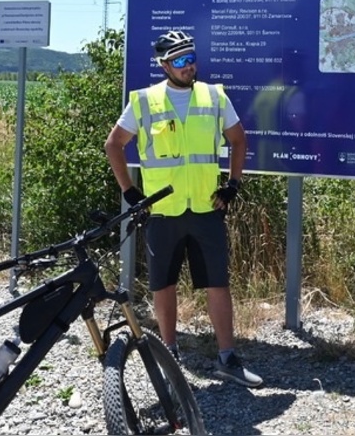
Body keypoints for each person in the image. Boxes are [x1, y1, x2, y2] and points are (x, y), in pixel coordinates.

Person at [104, 29, 262, 388]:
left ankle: (228, 358)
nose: (188, 66)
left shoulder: (214, 96)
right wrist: (129, 192)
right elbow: (114, 145)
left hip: (206, 208)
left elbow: (238, 140)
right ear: (164, 65)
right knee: (164, 285)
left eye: (191, 58)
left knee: (217, 283)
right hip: (163, 212)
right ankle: (169, 356)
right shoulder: (144, 101)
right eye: (179, 61)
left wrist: (233, 185)